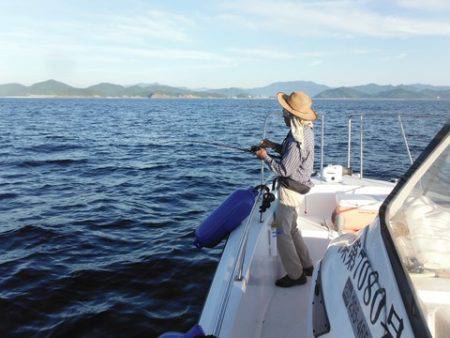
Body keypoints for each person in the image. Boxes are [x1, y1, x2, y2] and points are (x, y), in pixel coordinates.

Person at [255, 91, 317, 288]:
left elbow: (284, 169)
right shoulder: (305, 131)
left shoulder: (295, 139)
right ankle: (306, 265)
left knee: (282, 231)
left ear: (292, 115)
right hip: (300, 188)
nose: (283, 114)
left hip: (290, 191)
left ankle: (295, 274)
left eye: (286, 111)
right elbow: (293, 157)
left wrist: (264, 156)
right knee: (293, 228)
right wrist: (273, 146)